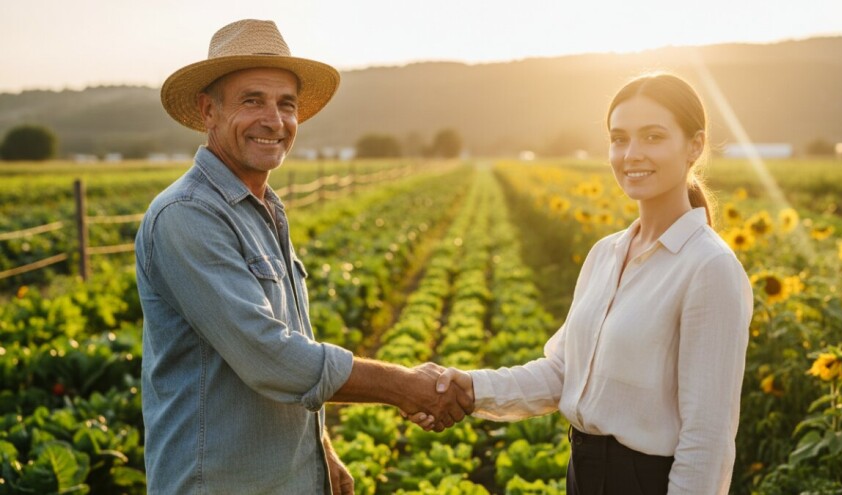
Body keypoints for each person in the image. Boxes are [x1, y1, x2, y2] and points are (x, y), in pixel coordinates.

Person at [135, 19, 471, 495]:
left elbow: (292, 340)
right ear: (208, 110)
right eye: (252, 100)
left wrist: (321, 449)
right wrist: (403, 386)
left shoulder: (265, 209)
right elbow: (270, 356)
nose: (274, 120)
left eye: (286, 104)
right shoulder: (186, 216)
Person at [408, 73, 753, 494]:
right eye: (619, 138)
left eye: (653, 136)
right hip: (583, 474)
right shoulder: (606, 254)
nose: (631, 154)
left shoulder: (709, 267)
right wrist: (472, 387)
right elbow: (564, 372)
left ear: (695, 146)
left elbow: (708, 441)